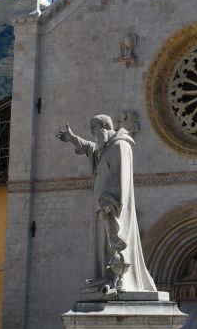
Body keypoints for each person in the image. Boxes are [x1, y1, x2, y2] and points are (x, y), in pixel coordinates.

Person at [56, 114, 158, 294]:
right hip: (102, 207)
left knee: (114, 244)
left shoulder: (120, 146)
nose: (93, 135)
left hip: (112, 207)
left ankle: (119, 280)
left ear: (104, 127)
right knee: (103, 248)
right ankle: (105, 279)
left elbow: (121, 176)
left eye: (94, 130)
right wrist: (74, 139)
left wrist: (111, 200)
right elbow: (92, 148)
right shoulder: (106, 148)